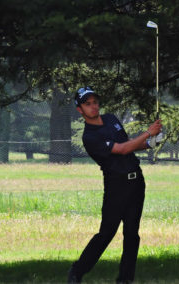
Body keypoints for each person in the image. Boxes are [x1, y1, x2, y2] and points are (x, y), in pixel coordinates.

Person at [68, 86, 162, 283]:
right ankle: (77, 271)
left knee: (132, 234)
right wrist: (147, 133)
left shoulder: (111, 119)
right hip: (116, 186)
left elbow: (128, 143)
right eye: (88, 104)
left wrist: (151, 142)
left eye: (95, 102)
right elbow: (121, 149)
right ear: (80, 110)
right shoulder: (90, 136)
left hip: (136, 181)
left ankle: (125, 279)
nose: (93, 107)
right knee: (107, 233)